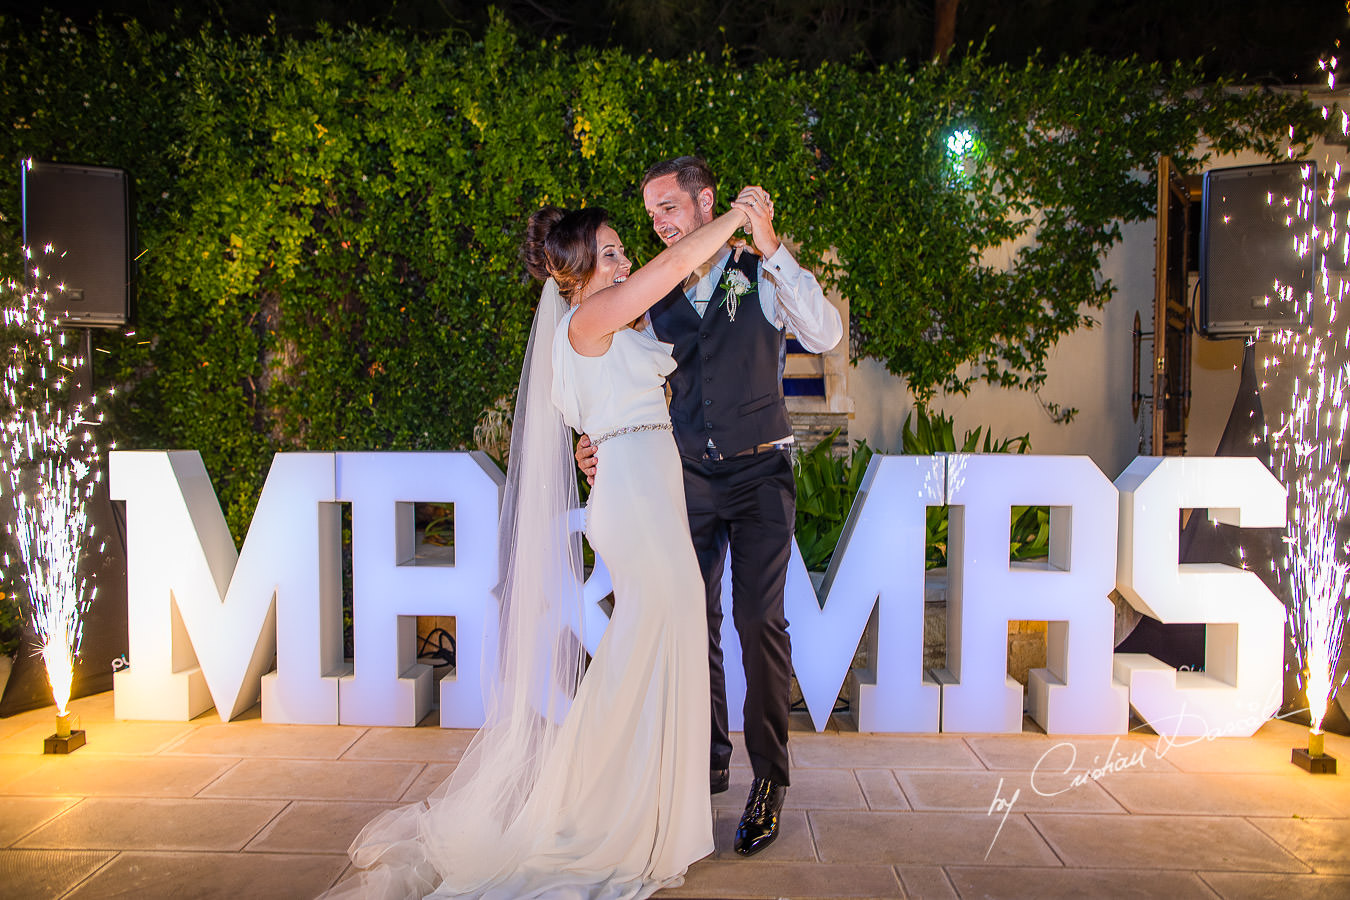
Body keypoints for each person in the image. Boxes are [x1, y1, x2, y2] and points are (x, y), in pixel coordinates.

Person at [324, 195, 755, 900]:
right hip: (638, 502)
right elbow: (678, 261)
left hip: (641, 488)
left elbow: (613, 414)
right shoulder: (590, 318)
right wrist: (737, 216)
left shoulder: (601, 326)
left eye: (621, 250)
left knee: (660, 645)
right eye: (611, 252)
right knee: (645, 647)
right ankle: (590, 811)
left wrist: (601, 450)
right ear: (577, 273)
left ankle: (636, 809)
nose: (624, 260)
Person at [577, 156, 843, 856]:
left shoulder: (760, 270)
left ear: (706, 202)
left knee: (759, 620)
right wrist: (592, 442)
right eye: (651, 214)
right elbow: (612, 376)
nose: (659, 223)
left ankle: (770, 781)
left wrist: (774, 245)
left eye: (669, 207)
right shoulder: (648, 292)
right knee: (689, 621)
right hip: (684, 478)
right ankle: (706, 764)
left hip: (761, 475)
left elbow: (826, 333)